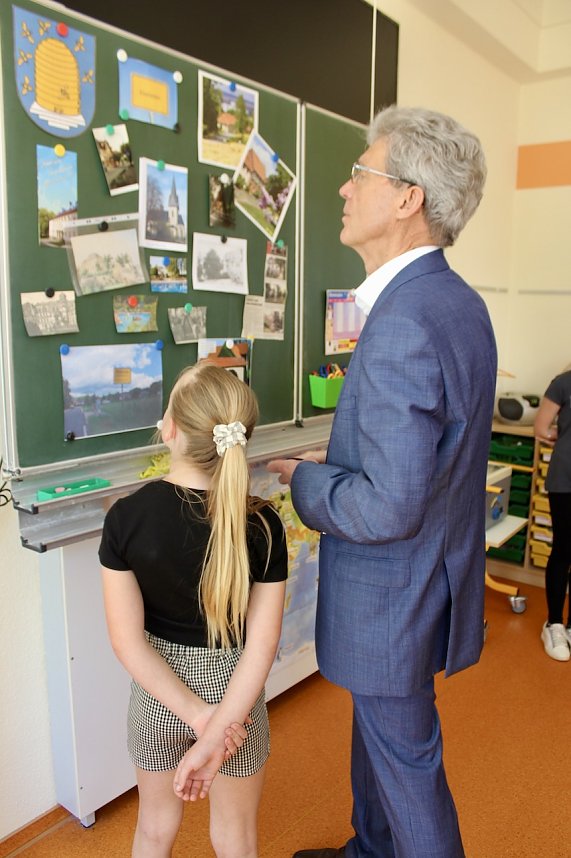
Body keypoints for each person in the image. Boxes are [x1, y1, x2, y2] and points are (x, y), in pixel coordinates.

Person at [268, 105, 497, 858]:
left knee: (407, 764)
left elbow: (385, 504)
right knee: (381, 742)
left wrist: (305, 481)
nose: (342, 188)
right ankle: (369, 850)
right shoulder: (454, 303)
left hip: (391, 591)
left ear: (407, 199)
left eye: (359, 173)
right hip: (425, 580)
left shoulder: (403, 320)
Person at [99, 362, 287, 857]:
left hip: (159, 693)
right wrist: (221, 721)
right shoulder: (264, 523)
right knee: (235, 835)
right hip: (237, 696)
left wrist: (198, 719)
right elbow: (263, 643)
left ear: (172, 429)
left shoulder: (126, 518)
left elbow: (127, 640)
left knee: (155, 827)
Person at [534, 366, 571, 661]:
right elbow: (541, 429)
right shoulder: (563, 383)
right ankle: (554, 623)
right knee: (564, 548)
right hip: (566, 479)